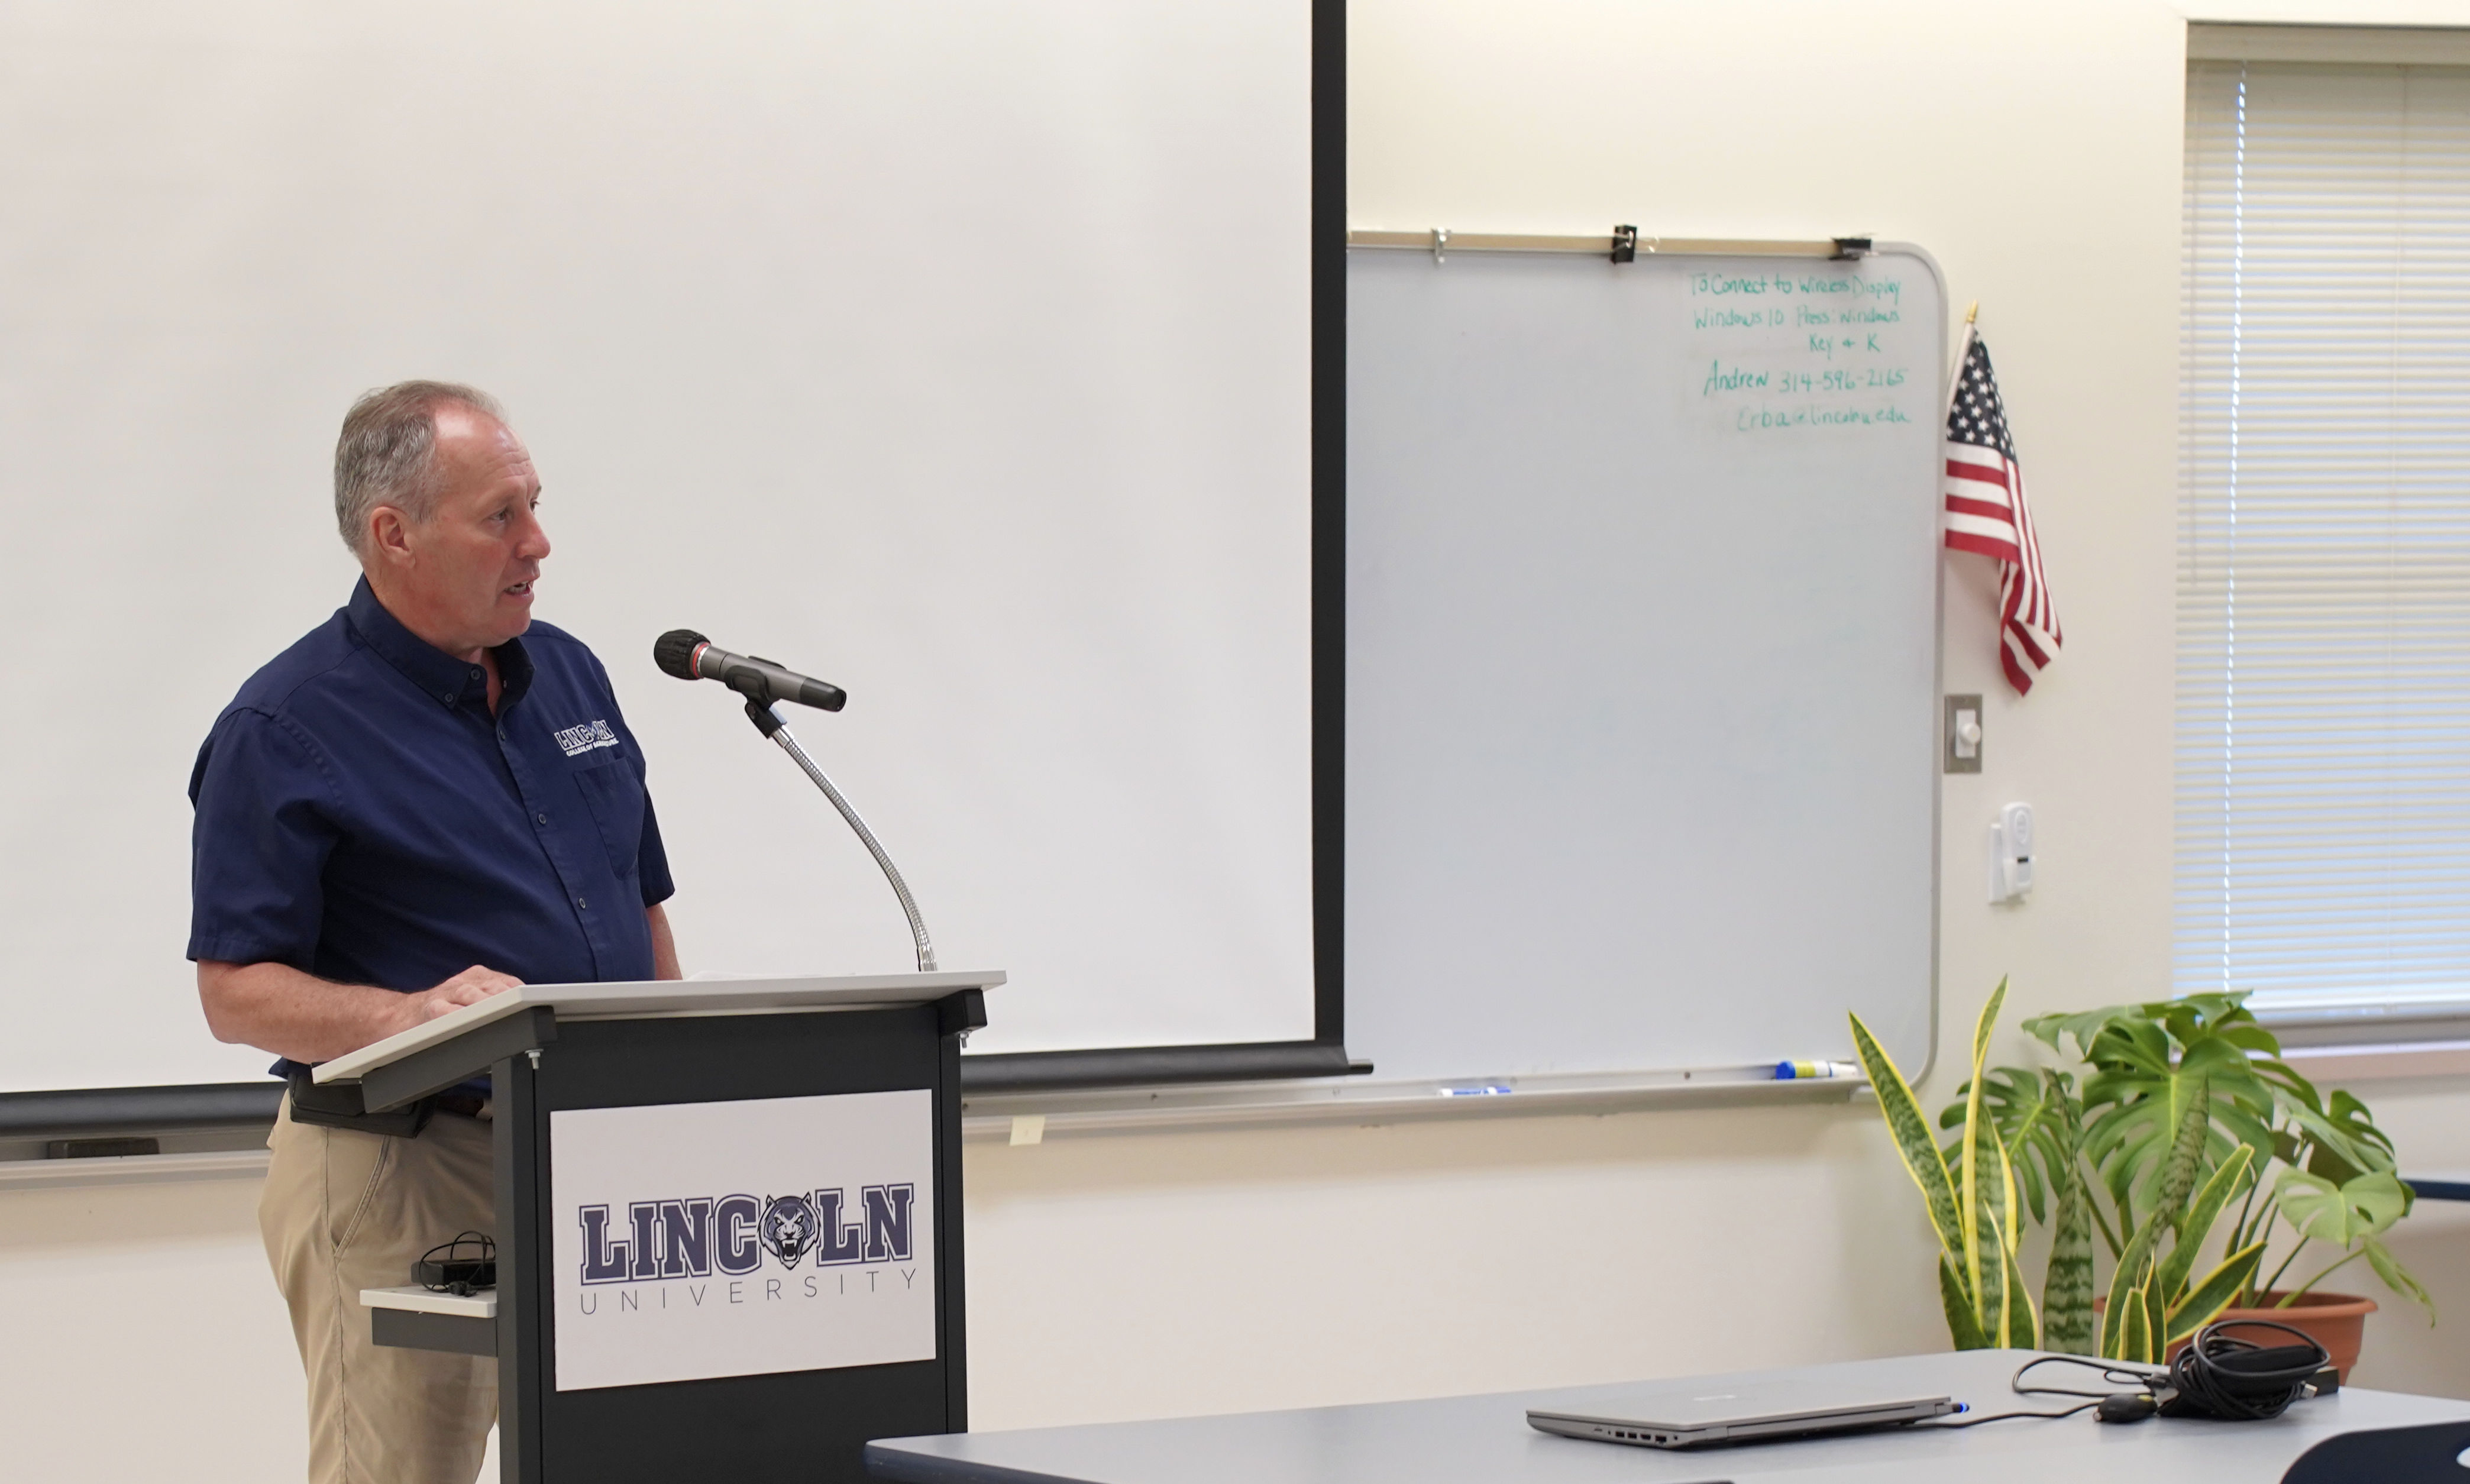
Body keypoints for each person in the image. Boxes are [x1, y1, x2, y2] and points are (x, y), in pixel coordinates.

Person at [187, 381, 680, 1484]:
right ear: (393, 534)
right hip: (405, 1163)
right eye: (501, 514)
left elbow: (638, 906)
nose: (539, 543)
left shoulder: (572, 673)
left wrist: (668, 1091)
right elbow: (234, 990)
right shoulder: (286, 726)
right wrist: (404, 1017)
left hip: (590, 1160)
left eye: (536, 506)